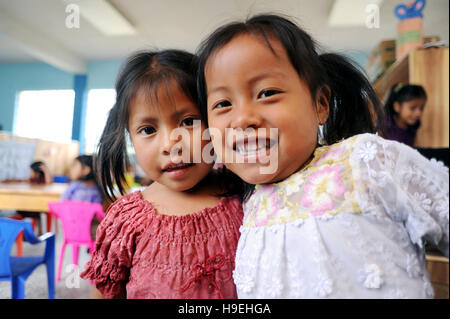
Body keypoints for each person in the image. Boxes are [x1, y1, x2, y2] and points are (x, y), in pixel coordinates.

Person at [196, 14, 449, 298]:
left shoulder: (365, 161)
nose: (243, 119)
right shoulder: (247, 205)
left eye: (266, 93)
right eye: (223, 103)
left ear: (320, 104)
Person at [80, 50, 244, 299]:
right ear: (130, 138)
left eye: (189, 121)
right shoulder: (125, 221)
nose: (170, 144)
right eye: (148, 129)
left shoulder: (245, 191)